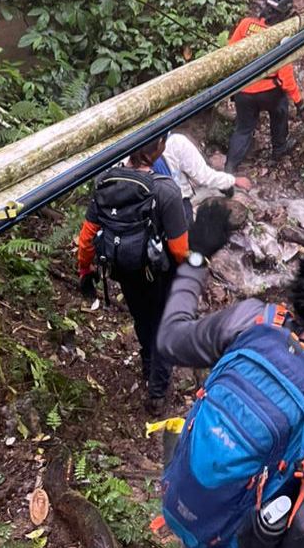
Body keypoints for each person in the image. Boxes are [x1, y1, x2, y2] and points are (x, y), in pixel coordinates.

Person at [155, 202, 304, 548]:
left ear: (303, 274)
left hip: (194, 496)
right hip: (241, 531)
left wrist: (197, 256)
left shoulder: (252, 320)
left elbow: (170, 340)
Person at [76, 138, 189, 415]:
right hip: (158, 273)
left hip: (124, 269)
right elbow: (179, 250)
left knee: (141, 318)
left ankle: (148, 364)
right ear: (159, 149)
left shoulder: (105, 182)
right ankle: (157, 393)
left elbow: (87, 236)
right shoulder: (166, 191)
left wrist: (84, 269)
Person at [225, 0, 304, 173]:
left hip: (243, 89)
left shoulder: (246, 24)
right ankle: (279, 148)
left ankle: (229, 167)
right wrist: (299, 102)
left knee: (243, 129)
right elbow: (286, 76)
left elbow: (230, 53)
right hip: (269, 92)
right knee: (280, 109)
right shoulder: (281, 36)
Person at [152, 131, 253, 222]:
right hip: (177, 205)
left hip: (153, 207)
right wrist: (234, 180)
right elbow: (204, 176)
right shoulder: (176, 143)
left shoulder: (144, 148)